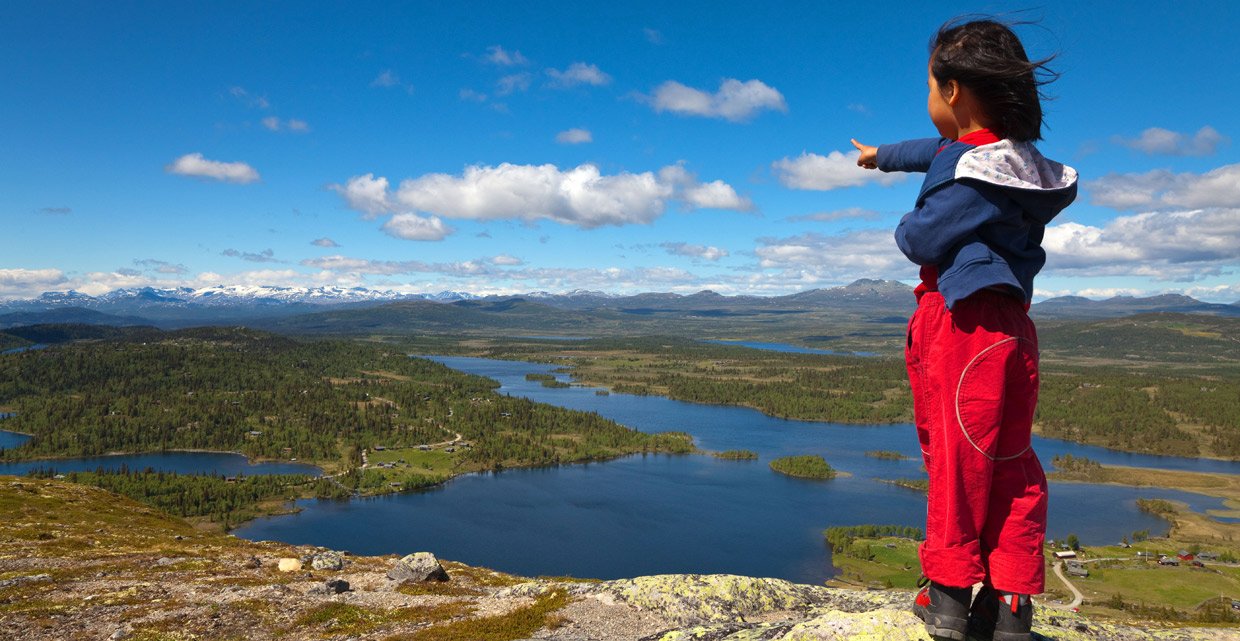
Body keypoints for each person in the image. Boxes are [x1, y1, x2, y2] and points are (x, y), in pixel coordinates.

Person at [851, 17, 1077, 641]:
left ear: (951, 92)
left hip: (960, 326)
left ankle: (947, 597)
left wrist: (905, 221)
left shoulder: (974, 178)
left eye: (928, 87)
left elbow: (919, 237)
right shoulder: (1010, 161)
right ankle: (1009, 606)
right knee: (1010, 462)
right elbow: (930, 150)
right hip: (1012, 329)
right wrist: (880, 157)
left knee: (955, 463)